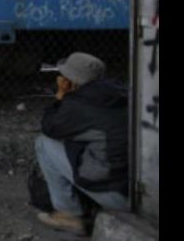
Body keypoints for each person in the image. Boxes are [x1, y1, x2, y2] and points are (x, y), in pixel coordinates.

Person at [34, 52, 129, 235]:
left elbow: (49, 127)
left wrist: (60, 95)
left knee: (44, 144)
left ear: (72, 81)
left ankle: (69, 216)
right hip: (141, 189)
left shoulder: (79, 105)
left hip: (119, 196)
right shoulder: (123, 92)